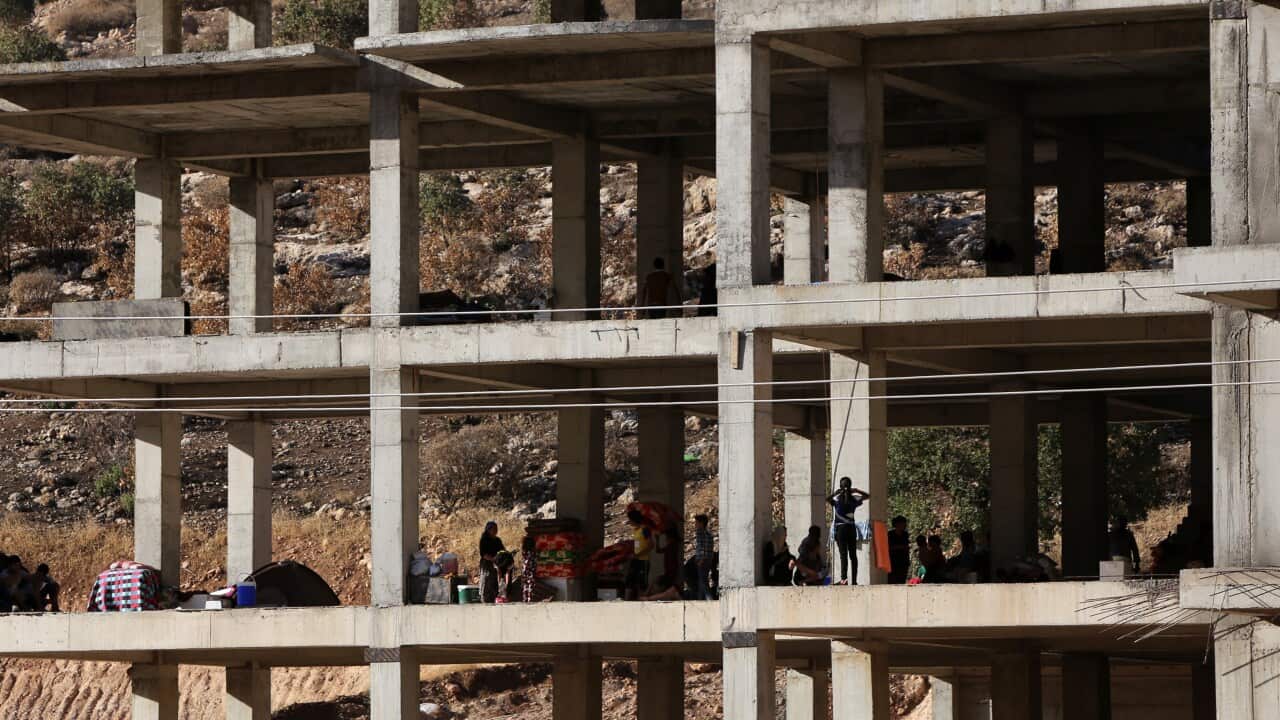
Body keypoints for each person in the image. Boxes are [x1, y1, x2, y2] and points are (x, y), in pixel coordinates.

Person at [827, 477, 870, 585]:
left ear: (840, 486)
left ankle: (844, 579)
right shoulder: (853, 499)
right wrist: (856, 490)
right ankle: (854, 581)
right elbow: (867, 496)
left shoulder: (837, 500)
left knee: (843, 555)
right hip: (851, 528)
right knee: (853, 555)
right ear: (850, 486)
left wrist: (835, 493)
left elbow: (827, 499)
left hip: (841, 529)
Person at [626, 510, 654, 600]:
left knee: (641, 582)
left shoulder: (645, 529)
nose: (629, 522)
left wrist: (638, 554)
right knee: (630, 580)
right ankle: (627, 600)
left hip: (643, 560)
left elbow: (651, 545)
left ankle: (641, 600)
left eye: (630, 520)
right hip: (635, 559)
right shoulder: (636, 530)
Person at [478, 521, 506, 603]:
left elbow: (502, 550)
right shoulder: (484, 540)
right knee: (486, 582)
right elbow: (483, 554)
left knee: (495, 583)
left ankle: (495, 599)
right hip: (487, 564)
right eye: (494, 529)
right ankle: (485, 600)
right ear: (489, 530)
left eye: (496, 529)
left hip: (497, 564)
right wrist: (493, 559)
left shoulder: (497, 540)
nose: (496, 531)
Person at [692, 514, 715, 600]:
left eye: (696, 523)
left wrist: (701, 559)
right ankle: (700, 599)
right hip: (708, 559)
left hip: (703, 559)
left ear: (701, 523)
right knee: (702, 581)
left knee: (703, 581)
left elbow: (702, 547)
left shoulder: (700, 532)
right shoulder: (709, 534)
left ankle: (709, 599)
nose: (695, 525)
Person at [887, 516, 912, 584]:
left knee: (901, 581)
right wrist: (900, 547)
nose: (904, 525)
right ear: (897, 524)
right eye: (903, 523)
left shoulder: (905, 534)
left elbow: (906, 547)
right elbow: (888, 547)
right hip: (893, 562)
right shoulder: (890, 534)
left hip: (903, 562)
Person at [520, 536, 538, 603]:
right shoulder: (532, 553)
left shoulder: (527, 554)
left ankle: (526, 602)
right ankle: (529, 602)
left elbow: (525, 564)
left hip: (527, 574)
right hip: (530, 574)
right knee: (530, 590)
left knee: (526, 589)